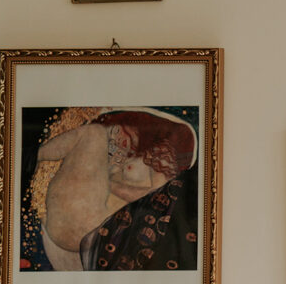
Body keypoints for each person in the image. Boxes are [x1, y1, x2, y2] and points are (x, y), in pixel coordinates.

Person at [34, 107, 196, 271]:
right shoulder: (113, 147)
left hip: (96, 233)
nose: (116, 135)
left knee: (93, 134)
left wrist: (111, 184)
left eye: (123, 129)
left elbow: (156, 201)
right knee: (93, 133)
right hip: (64, 226)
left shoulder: (161, 159)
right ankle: (27, 155)